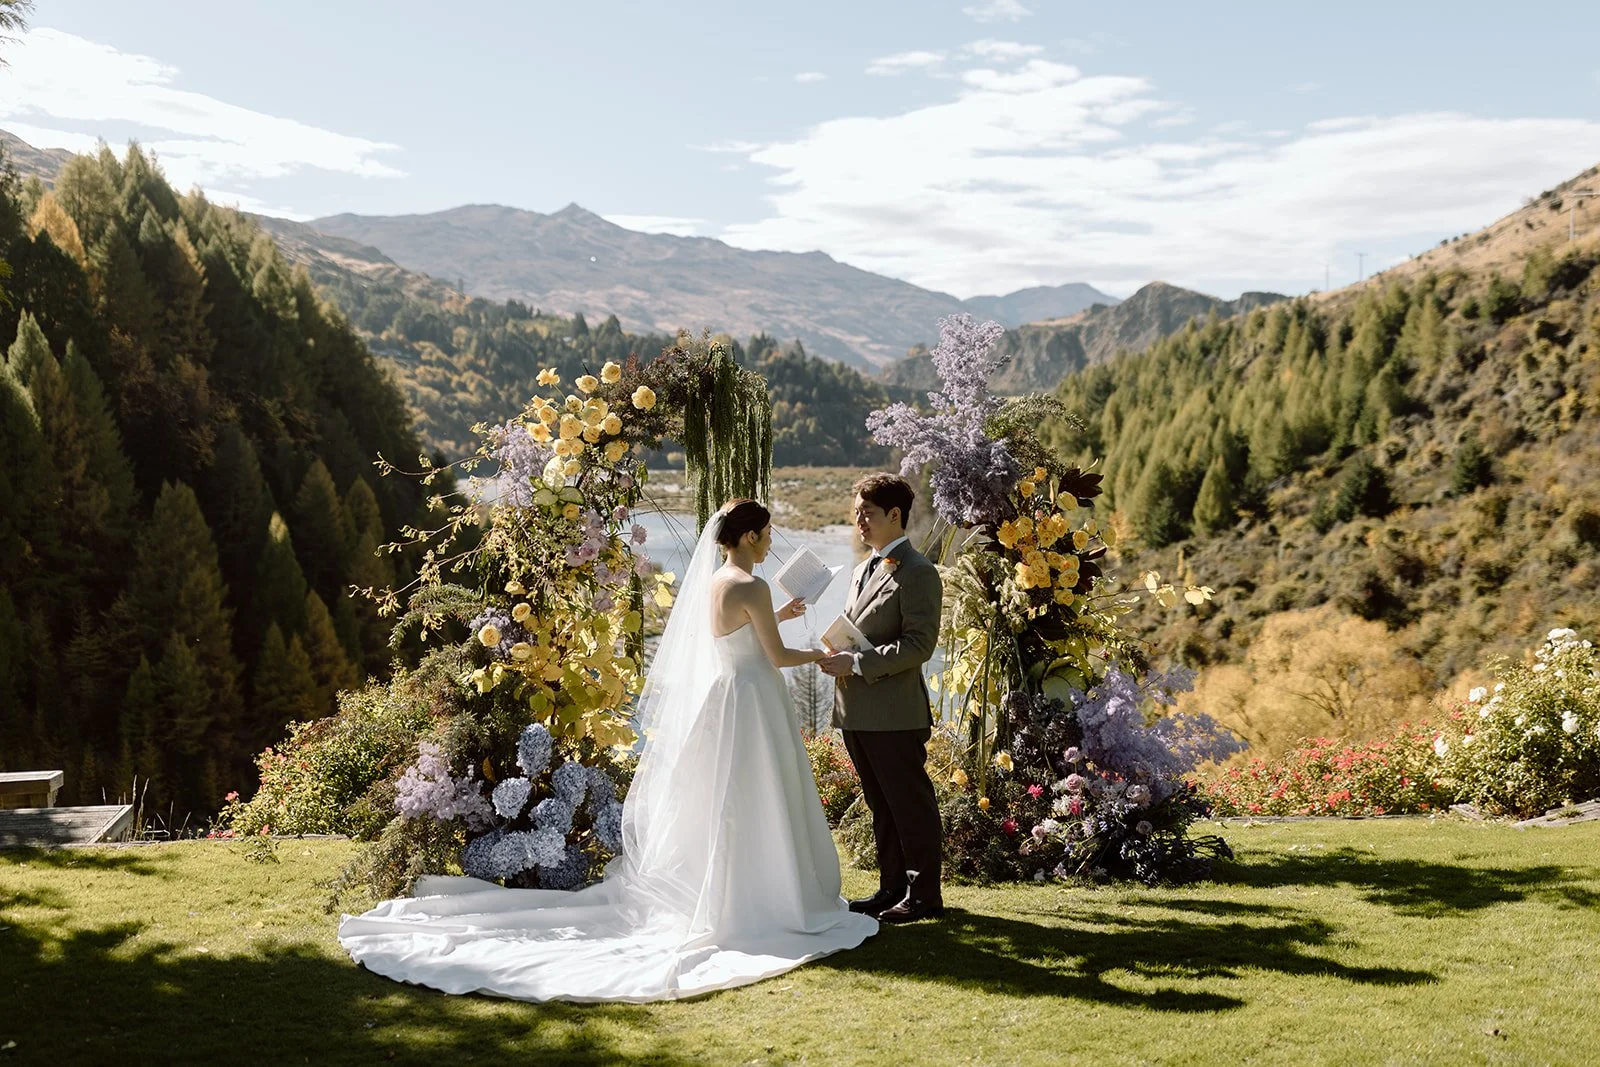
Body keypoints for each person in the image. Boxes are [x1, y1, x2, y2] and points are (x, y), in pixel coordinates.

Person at [338, 499, 878, 1002]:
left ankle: (730, 888)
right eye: (766, 538)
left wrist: (779, 616)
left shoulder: (720, 580)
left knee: (726, 799)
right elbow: (777, 658)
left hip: (727, 697)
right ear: (754, 536)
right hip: (755, 697)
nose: (768, 547)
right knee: (760, 795)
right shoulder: (752, 586)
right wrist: (827, 654)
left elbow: (742, 634)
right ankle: (766, 893)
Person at [818, 474, 945, 923]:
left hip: (895, 713)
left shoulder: (919, 572)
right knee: (881, 804)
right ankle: (891, 888)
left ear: (895, 515)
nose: (859, 522)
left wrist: (854, 664)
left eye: (867, 514)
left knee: (909, 806)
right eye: (856, 513)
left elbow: (919, 646)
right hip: (857, 711)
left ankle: (924, 895)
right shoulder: (860, 570)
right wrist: (838, 652)